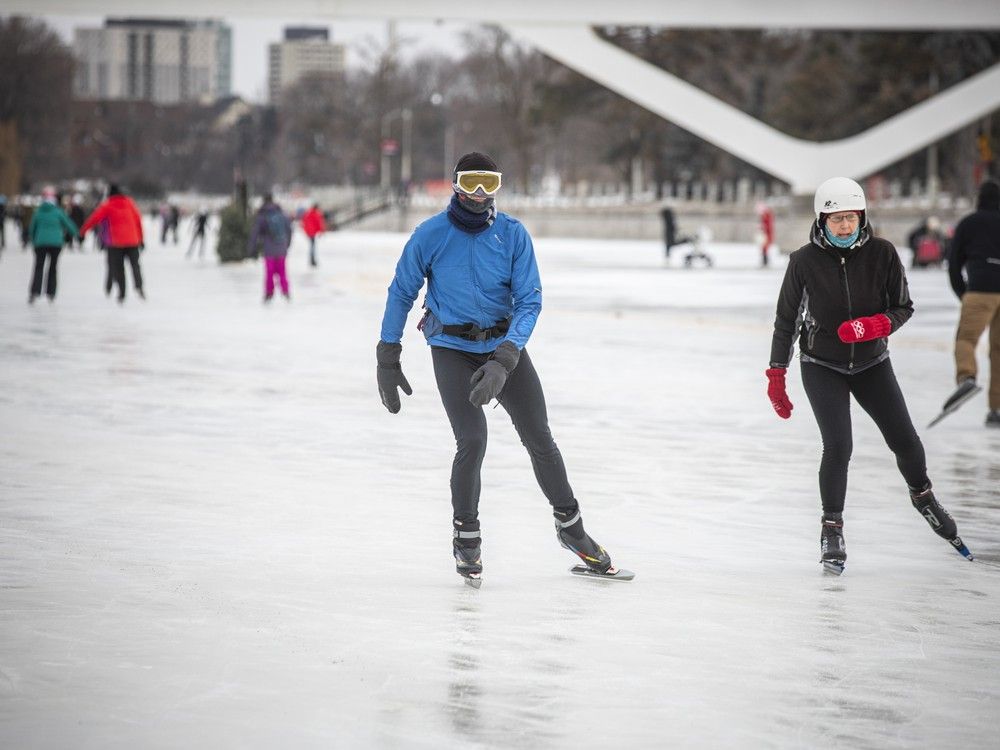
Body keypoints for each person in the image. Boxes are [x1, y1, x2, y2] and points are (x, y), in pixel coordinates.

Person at [376, 151, 628, 585]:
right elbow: (402, 290)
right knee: (472, 439)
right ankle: (466, 537)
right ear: (455, 184)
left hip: (502, 348)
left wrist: (507, 358)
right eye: (471, 181)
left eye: (488, 183)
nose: (479, 193)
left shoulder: (512, 235)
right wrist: (388, 352)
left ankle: (572, 530)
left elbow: (530, 300)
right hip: (451, 348)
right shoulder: (429, 235)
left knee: (539, 436)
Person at [765, 176, 972, 574]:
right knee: (838, 447)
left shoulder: (883, 253)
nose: (845, 226)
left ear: (862, 217)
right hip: (821, 365)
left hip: (872, 364)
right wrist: (777, 372)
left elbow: (903, 306)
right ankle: (831, 527)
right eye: (837, 219)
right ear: (822, 220)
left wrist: (874, 326)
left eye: (852, 218)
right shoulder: (803, 262)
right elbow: (786, 320)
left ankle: (923, 496)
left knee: (905, 440)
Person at [944, 178, 1000, 427]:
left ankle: (967, 377)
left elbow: (954, 262)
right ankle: (996, 409)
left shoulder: (969, 224)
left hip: (980, 290)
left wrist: (964, 293)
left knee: (966, 340)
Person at [80, 183, 145, 303]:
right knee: (135, 265)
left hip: (116, 242)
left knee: (119, 268)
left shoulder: (108, 205)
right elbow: (138, 220)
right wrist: (141, 239)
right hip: (132, 240)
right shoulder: (129, 203)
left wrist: (83, 230)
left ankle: (122, 293)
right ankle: (139, 286)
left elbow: (94, 218)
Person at [27, 186, 78, 303]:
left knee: (38, 267)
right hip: (56, 243)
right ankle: (51, 292)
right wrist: (77, 233)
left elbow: (32, 228)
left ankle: (35, 291)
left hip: (40, 243)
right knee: (53, 267)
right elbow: (69, 225)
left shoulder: (38, 212)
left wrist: (33, 240)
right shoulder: (58, 212)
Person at [247, 193, 292, 302]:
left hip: (268, 249)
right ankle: (285, 291)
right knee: (282, 271)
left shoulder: (262, 215)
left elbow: (255, 233)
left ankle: (269, 293)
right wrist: (287, 244)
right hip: (281, 248)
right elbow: (289, 230)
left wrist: (251, 248)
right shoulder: (282, 214)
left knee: (269, 273)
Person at [301, 202, 325, 267]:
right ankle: (312, 260)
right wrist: (321, 231)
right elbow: (319, 223)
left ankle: (312, 259)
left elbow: (304, 222)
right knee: (313, 246)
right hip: (312, 232)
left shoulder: (308, 213)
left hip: (309, 232)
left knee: (312, 245)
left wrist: (306, 231)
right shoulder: (315, 213)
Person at [757, 203, 775, 267]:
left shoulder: (766, 216)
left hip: (766, 235)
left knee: (765, 248)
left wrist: (762, 227)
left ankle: (765, 261)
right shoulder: (767, 216)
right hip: (766, 234)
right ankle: (765, 260)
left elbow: (767, 226)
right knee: (764, 248)